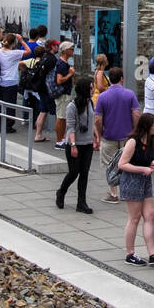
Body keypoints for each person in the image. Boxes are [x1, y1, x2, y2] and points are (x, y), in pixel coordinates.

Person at [117, 113, 154, 266]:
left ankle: (153, 253)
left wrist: (152, 163)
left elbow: (146, 156)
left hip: (145, 180)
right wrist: (143, 169)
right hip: (132, 181)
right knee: (134, 218)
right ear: (147, 126)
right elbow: (122, 164)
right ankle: (130, 253)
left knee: (150, 215)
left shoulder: (151, 140)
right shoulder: (132, 142)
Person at [94, 66, 140, 204]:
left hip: (109, 135)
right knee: (128, 163)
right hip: (127, 136)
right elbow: (136, 114)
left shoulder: (102, 97)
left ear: (110, 79)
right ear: (121, 78)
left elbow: (97, 119)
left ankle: (113, 194)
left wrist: (100, 133)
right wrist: (135, 131)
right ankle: (128, 191)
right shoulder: (130, 94)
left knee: (110, 165)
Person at [57, 77, 97, 214]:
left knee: (84, 173)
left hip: (88, 144)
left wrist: (96, 136)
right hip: (75, 144)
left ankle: (81, 202)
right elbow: (70, 127)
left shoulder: (90, 102)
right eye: (91, 88)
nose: (93, 90)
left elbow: (92, 121)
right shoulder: (72, 106)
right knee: (74, 172)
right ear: (85, 89)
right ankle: (61, 192)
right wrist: (73, 145)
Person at [0, 33, 28, 133]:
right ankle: (8, 125)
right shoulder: (14, 53)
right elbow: (28, 51)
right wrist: (21, 41)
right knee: (10, 105)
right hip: (11, 82)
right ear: (13, 43)